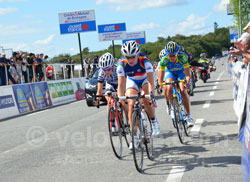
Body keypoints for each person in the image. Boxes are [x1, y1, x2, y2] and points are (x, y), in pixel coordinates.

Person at [117, 41, 159, 149]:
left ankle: (154, 121)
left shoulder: (145, 62)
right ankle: (134, 136)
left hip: (145, 79)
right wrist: (120, 100)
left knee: (146, 100)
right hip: (132, 81)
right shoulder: (121, 65)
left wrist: (151, 95)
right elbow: (121, 85)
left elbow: (150, 83)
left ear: (138, 53)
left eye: (132, 56)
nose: (130, 60)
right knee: (130, 104)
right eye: (127, 57)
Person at [158, 41, 194, 127]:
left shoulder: (183, 57)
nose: (172, 57)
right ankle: (172, 106)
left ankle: (189, 116)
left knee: (182, 89)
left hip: (181, 73)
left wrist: (187, 83)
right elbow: (161, 76)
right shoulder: (164, 60)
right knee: (169, 87)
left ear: (177, 53)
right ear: (167, 54)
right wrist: (160, 86)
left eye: (174, 55)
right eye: (170, 55)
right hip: (170, 73)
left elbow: (188, 75)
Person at [94, 52, 120, 132]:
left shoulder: (118, 68)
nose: (106, 72)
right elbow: (100, 88)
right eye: (104, 70)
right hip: (110, 84)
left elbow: (122, 83)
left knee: (123, 101)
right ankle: (112, 123)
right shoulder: (101, 72)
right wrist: (97, 99)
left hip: (120, 83)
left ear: (112, 66)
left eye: (108, 69)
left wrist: (119, 93)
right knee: (110, 101)